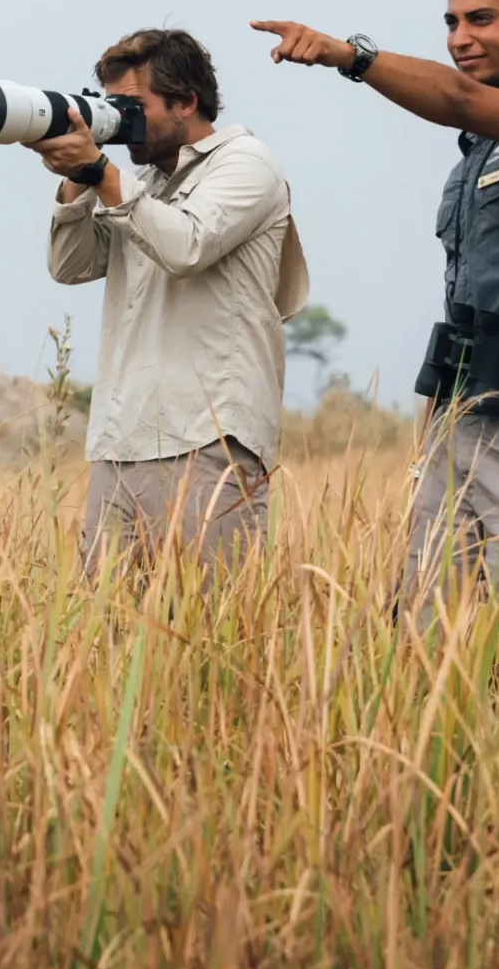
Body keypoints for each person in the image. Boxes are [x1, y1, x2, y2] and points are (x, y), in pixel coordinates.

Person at [257, 0, 499, 641]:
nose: (460, 38)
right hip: (465, 426)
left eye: (481, 19)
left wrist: (349, 56)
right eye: (451, 21)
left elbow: (459, 98)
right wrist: (433, 440)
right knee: (429, 650)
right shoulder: (477, 155)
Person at [34, 29, 307, 575]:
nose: (120, 121)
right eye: (111, 107)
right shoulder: (142, 183)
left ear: (186, 101)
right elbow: (71, 266)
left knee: (208, 630)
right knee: (107, 632)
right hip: (122, 437)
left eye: (133, 107)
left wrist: (102, 174)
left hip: (208, 438)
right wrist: (74, 183)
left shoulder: (244, 164)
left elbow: (186, 246)